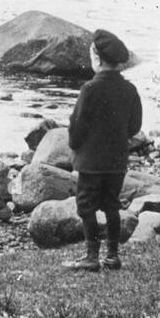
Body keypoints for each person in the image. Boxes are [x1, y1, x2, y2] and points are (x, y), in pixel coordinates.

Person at [63, 30, 143, 272]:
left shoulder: (89, 89)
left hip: (90, 162)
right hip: (117, 160)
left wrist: (75, 146)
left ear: (96, 58)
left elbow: (77, 125)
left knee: (85, 205)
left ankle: (90, 256)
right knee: (111, 205)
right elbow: (135, 126)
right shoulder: (130, 90)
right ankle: (112, 255)